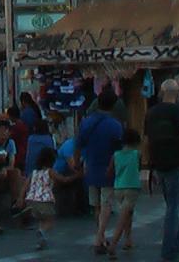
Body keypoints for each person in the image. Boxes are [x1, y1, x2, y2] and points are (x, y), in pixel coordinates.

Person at [145, 79, 179, 262]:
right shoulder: (178, 110)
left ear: (161, 91)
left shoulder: (151, 112)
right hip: (175, 161)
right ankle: (169, 250)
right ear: (177, 93)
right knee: (174, 207)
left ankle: (176, 244)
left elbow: (146, 140)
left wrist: (149, 161)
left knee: (171, 204)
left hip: (158, 162)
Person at [74, 89, 123, 255]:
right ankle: (99, 238)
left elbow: (78, 144)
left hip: (90, 166)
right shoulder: (115, 125)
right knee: (106, 204)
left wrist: (77, 163)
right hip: (108, 167)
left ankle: (100, 237)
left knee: (96, 205)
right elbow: (118, 149)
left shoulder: (87, 122)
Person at [19, 147, 73, 251]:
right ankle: (42, 232)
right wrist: (76, 176)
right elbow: (63, 180)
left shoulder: (34, 172)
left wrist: (21, 198)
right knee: (50, 220)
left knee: (42, 220)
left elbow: (25, 186)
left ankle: (41, 241)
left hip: (31, 201)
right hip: (44, 200)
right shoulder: (50, 172)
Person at [106, 129, 142, 259]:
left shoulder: (116, 155)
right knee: (123, 218)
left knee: (127, 214)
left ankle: (128, 240)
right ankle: (113, 244)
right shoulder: (137, 154)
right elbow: (138, 168)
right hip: (132, 187)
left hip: (118, 187)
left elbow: (109, 171)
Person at [7, 105, 31, 170]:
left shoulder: (17, 127)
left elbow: (8, 137)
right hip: (23, 152)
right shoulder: (22, 125)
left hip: (19, 154)